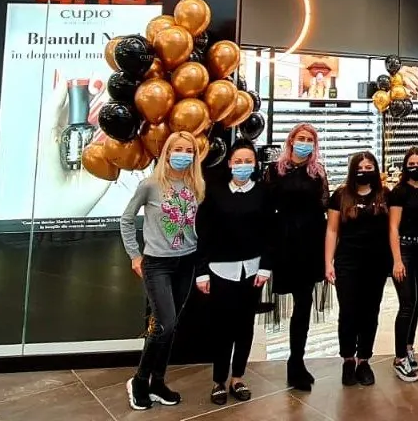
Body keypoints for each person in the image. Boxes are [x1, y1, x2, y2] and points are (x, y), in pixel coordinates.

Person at [120, 131, 205, 411]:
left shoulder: (196, 185)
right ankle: (139, 380)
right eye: (178, 149)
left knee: (170, 325)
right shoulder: (150, 185)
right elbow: (126, 219)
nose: (184, 155)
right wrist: (134, 255)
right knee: (164, 323)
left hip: (186, 261)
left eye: (189, 150)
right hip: (157, 263)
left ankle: (157, 381)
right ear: (167, 152)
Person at [195, 140, 274, 406]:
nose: (243, 166)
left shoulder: (263, 193)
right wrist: (202, 272)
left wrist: (265, 266)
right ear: (229, 164)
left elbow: (270, 234)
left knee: (245, 327)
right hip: (220, 271)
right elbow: (203, 234)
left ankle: (237, 377)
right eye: (238, 161)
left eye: (248, 161)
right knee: (222, 328)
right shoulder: (215, 193)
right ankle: (219, 380)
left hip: (252, 271)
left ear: (255, 164)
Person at [266, 123, 329, 391]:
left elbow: (325, 204)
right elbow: (267, 206)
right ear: (291, 140)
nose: (304, 143)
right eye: (300, 138)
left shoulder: (318, 172)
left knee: (304, 303)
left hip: (311, 241)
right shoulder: (274, 170)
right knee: (292, 299)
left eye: (309, 139)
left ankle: (297, 361)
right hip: (284, 241)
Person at [325, 151, 391, 387]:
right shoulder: (341, 195)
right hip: (347, 262)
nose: (364, 171)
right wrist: (328, 262)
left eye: (369, 167)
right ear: (353, 170)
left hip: (377, 262)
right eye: (360, 168)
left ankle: (364, 360)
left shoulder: (385, 195)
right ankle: (348, 359)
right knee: (348, 311)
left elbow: (393, 229)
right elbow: (332, 230)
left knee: (370, 312)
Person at [388, 146, 418, 382]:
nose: (416, 167)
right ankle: (399, 358)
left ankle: (408, 347)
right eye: (411, 164)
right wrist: (397, 260)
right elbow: (393, 227)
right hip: (404, 250)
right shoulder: (399, 192)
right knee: (406, 303)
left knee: (415, 301)